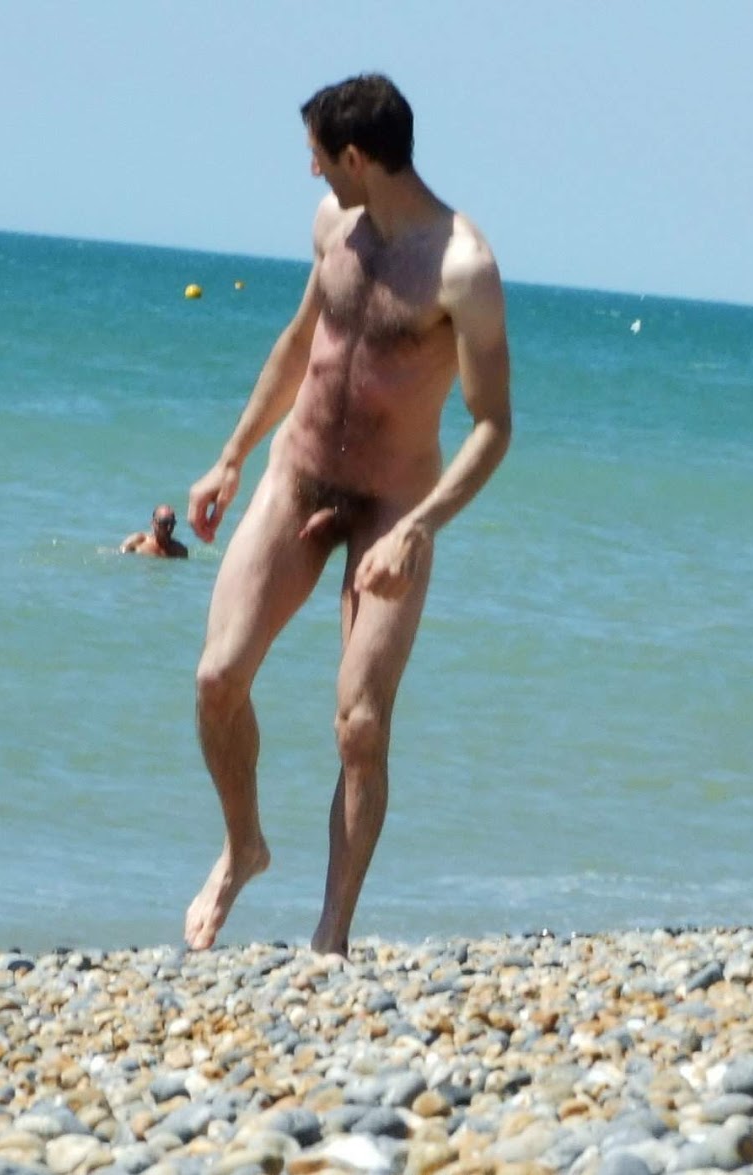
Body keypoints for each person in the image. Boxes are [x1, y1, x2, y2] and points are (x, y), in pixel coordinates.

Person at [183, 74, 512, 956]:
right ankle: (243, 846)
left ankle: (329, 935)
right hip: (297, 477)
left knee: (360, 721)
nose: (314, 174)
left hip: (394, 505)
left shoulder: (463, 268)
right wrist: (232, 455)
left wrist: (420, 526)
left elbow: (493, 425)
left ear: (357, 157)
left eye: (320, 158)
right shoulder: (335, 226)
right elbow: (302, 343)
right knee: (217, 678)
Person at [121, 504, 189, 559]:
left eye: (172, 523)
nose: (169, 528)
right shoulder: (137, 541)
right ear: (153, 523)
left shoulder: (180, 550)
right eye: (164, 523)